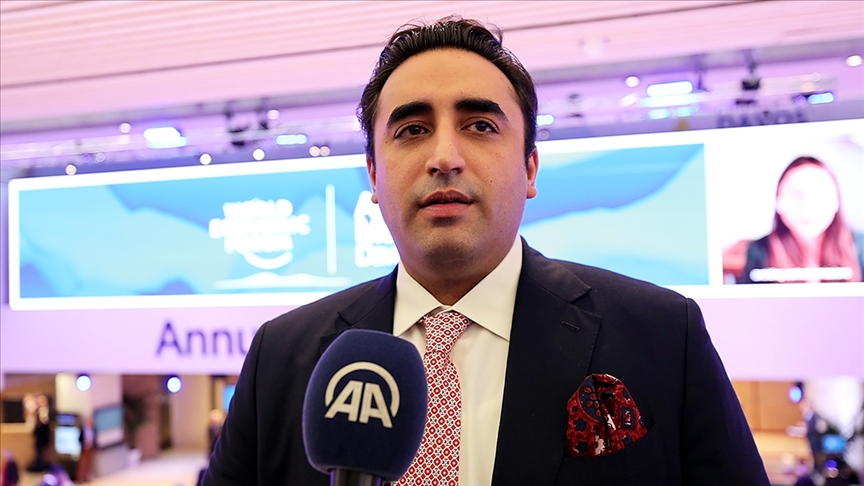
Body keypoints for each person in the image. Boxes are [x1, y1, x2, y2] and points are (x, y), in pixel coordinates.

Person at [203, 17, 769, 485]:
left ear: (530, 168)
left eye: (479, 125)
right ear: (373, 176)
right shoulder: (283, 357)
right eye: (412, 130)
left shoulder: (664, 336)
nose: (444, 157)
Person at [725, 156, 863, 284]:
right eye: (797, 194)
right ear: (779, 202)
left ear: (836, 201)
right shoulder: (759, 251)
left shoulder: (860, 246)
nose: (808, 205)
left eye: (819, 193)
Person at [76, 416, 95, 483]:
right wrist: (84, 443)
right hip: (84, 448)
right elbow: (79, 439)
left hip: (90, 448)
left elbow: (94, 438)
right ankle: (80, 478)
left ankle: (87, 477)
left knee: (89, 464)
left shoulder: (92, 429)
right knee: (82, 464)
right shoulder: (83, 429)